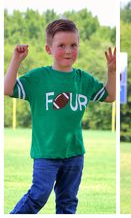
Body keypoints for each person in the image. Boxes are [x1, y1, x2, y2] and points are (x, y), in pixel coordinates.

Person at [4, 19, 116, 214]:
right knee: (38, 195)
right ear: (48, 49)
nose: (68, 51)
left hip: (74, 154)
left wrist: (112, 71)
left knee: (68, 203)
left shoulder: (83, 79)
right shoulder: (38, 78)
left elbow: (110, 95)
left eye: (73, 45)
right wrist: (16, 60)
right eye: (61, 45)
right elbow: (7, 88)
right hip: (46, 153)